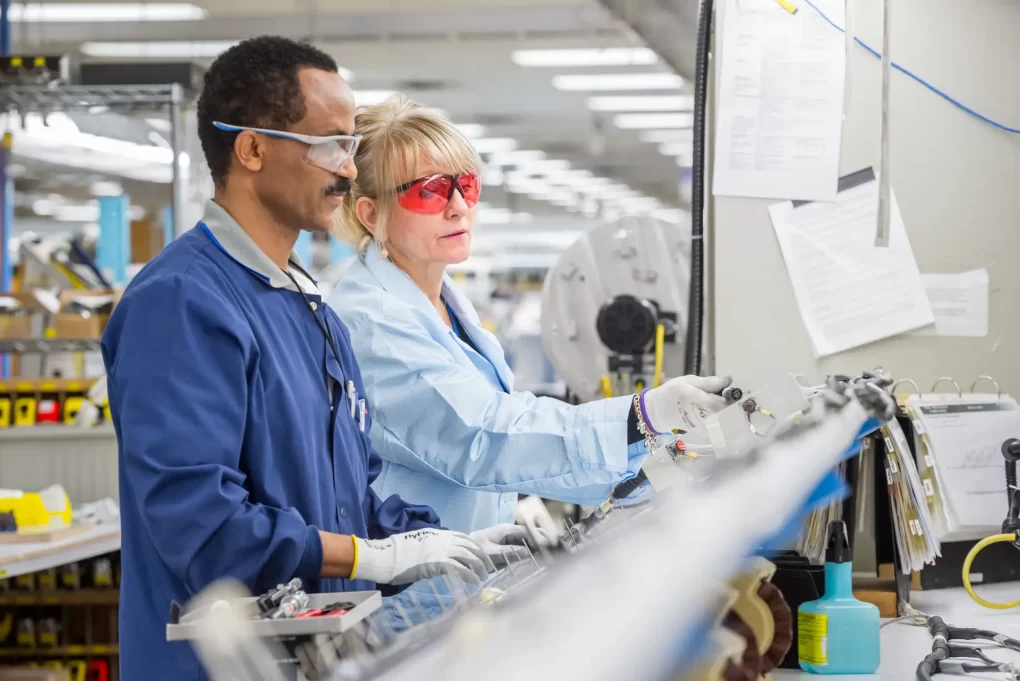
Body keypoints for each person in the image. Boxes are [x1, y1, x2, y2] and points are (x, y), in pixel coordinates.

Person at [101, 38, 527, 681]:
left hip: (317, 658)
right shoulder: (182, 303)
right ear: (251, 149)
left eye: (350, 147)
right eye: (330, 145)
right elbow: (203, 527)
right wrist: (366, 557)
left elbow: (350, 496)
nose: (350, 169)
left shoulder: (306, 306)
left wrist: (443, 542)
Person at [328, 94, 733, 534]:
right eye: (430, 190)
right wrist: (640, 415)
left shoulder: (447, 306)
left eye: (466, 185)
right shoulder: (370, 320)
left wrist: (665, 465)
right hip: (412, 586)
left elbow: (529, 461)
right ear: (371, 213)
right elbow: (483, 439)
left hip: (461, 571)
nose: (459, 205)